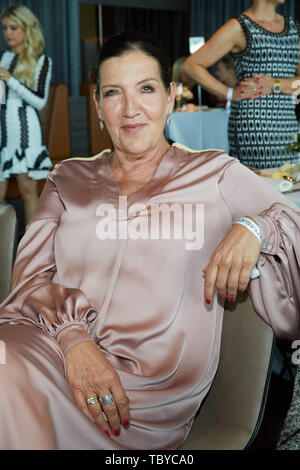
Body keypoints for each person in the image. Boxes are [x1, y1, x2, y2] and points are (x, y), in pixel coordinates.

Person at [0, 31, 299, 451]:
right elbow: (28, 280)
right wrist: (74, 340)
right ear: (99, 107)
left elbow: (289, 218)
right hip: (59, 353)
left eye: (146, 89)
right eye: (113, 94)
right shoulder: (66, 179)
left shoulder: (214, 174)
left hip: (146, 394)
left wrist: (255, 229)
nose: (131, 109)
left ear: (170, 97)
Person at [184, 0, 300, 169]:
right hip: (253, 127)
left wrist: (274, 84)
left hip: (288, 125)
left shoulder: (294, 28)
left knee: (291, 184)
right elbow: (191, 65)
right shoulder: (239, 27)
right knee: (257, 187)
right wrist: (230, 93)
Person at [0, 5, 52, 224]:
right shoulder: (3, 58)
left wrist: (11, 79)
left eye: (14, 27)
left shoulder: (42, 61)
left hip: (27, 135)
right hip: (3, 135)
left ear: (26, 28)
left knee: (28, 193)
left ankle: (31, 252)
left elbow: (40, 101)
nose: (8, 33)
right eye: (5, 28)